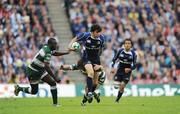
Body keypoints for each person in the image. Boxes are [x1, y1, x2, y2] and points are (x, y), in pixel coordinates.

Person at [14, 38, 72, 106]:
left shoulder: (47, 47)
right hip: (33, 71)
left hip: (40, 70)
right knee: (34, 91)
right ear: (50, 44)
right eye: (54, 44)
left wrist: (66, 52)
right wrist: (55, 77)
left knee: (52, 83)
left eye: (56, 43)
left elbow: (55, 53)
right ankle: (19, 88)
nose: (56, 45)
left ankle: (55, 104)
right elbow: (46, 66)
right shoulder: (47, 51)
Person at [68, 24, 105, 103]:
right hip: (86, 58)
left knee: (95, 83)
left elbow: (101, 50)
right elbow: (75, 38)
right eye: (98, 32)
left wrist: (99, 62)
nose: (99, 34)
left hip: (96, 60)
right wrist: (69, 46)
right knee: (90, 73)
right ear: (94, 32)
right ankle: (90, 93)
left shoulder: (101, 38)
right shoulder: (85, 35)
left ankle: (86, 97)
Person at [111, 39, 137, 103]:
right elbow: (114, 59)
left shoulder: (133, 54)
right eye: (126, 43)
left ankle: (117, 100)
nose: (127, 45)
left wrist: (130, 69)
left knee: (122, 86)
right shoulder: (120, 51)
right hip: (119, 71)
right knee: (116, 86)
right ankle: (118, 89)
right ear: (124, 45)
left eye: (129, 43)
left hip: (127, 73)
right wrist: (112, 67)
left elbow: (135, 65)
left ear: (131, 45)